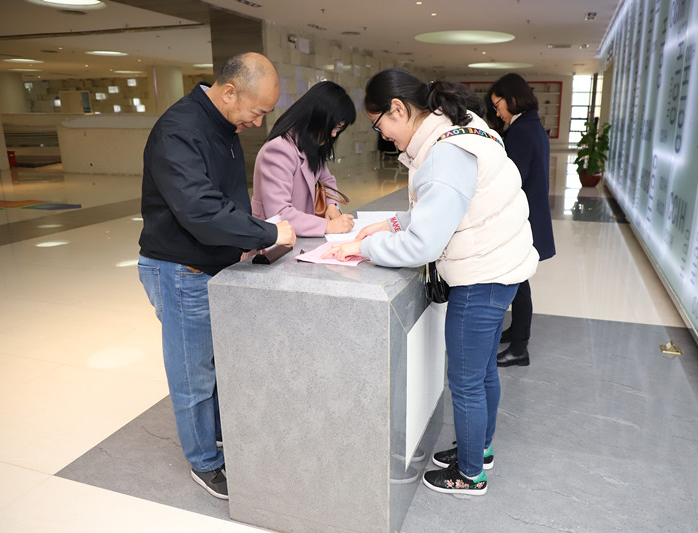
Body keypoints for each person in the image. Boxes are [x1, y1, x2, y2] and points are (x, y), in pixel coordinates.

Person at [324, 68, 539, 496]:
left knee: (466, 381)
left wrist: (363, 247)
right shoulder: (460, 126)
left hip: (481, 276)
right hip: (501, 266)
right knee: (482, 373)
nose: (383, 135)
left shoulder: (445, 153)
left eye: (379, 124)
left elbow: (423, 244)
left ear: (398, 109)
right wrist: (390, 223)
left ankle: (470, 474)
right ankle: (480, 449)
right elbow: (446, 205)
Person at [137, 52, 296, 500]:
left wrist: (247, 236)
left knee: (215, 363)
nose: (258, 122)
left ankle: (218, 434)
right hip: (181, 270)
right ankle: (204, 462)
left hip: (210, 265)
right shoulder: (179, 130)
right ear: (229, 92)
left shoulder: (223, 125)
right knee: (194, 375)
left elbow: (224, 199)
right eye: (257, 112)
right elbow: (200, 210)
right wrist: (267, 232)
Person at [488, 74, 556, 368]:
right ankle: (516, 332)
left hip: (521, 220)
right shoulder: (532, 126)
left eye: (498, 105)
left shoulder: (521, 132)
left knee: (518, 282)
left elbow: (510, 181)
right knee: (519, 281)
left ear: (512, 99)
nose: (497, 112)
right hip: (531, 215)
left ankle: (519, 347)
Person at [251, 81, 356, 237]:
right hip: (273, 243)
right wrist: (328, 226)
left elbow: (327, 180)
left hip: (300, 237)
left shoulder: (309, 144)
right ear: (317, 118)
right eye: (333, 127)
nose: (334, 134)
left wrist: (332, 205)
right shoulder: (278, 150)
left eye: (339, 129)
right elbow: (279, 213)